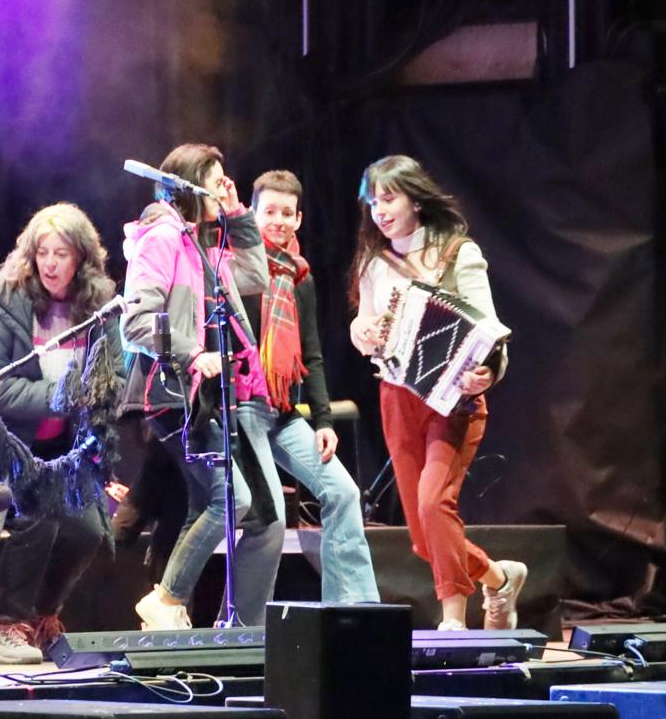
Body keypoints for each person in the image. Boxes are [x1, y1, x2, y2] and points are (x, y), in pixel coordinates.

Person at [348, 155, 524, 631]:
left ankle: (453, 619)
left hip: (452, 401)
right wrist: (361, 331)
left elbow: (490, 334)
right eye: (373, 203)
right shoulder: (374, 262)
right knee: (424, 538)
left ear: (415, 200)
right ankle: (498, 579)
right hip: (396, 397)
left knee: (433, 505)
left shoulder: (457, 253)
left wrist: (486, 373)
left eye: (389, 199)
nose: (380, 212)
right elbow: (362, 323)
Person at [121, 143, 276, 631]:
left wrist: (237, 213)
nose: (222, 187)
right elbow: (138, 321)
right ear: (189, 185)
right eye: (215, 181)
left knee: (204, 502)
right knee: (234, 498)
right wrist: (190, 354)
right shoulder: (161, 236)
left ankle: (167, 609)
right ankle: (165, 601)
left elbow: (255, 275)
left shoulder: (200, 244)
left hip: (198, 394)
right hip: (168, 390)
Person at [0, 203, 122, 662]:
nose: (50, 263)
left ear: (82, 259)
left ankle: (41, 618)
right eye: (42, 252)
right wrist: (62, 396)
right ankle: (5, 624)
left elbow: (110, 382)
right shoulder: (2, 299)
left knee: (88, 531)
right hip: (3, 448)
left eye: (61, 253)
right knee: (37, 512)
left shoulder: (99, 306)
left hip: (65, 451)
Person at [241, 170, 379, 605]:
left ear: (299, 219)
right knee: (273, 516)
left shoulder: (300, 276)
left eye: (287, 213)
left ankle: (351, 610)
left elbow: (311, 354)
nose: (278, 221)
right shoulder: (236, 265)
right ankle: (249, 628)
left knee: (343, 491)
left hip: (282, 413)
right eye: (269, 211)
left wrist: (322, 420)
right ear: (252, 212)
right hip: (241, 410)